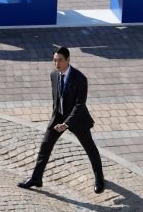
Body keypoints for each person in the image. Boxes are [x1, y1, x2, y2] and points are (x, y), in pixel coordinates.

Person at [18, 47, 105, 194]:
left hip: (77, 119)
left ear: (68, 60)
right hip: (58, 116)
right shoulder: (53, 75)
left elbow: (79, 105)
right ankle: (36, 178)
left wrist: (66, 124)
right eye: (54, 60)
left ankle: (99, 178)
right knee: (45, 146)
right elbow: (57, 99)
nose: (56, 63)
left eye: (60, 60)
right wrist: (56, 117)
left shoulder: (80, 78)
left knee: (90, 148)